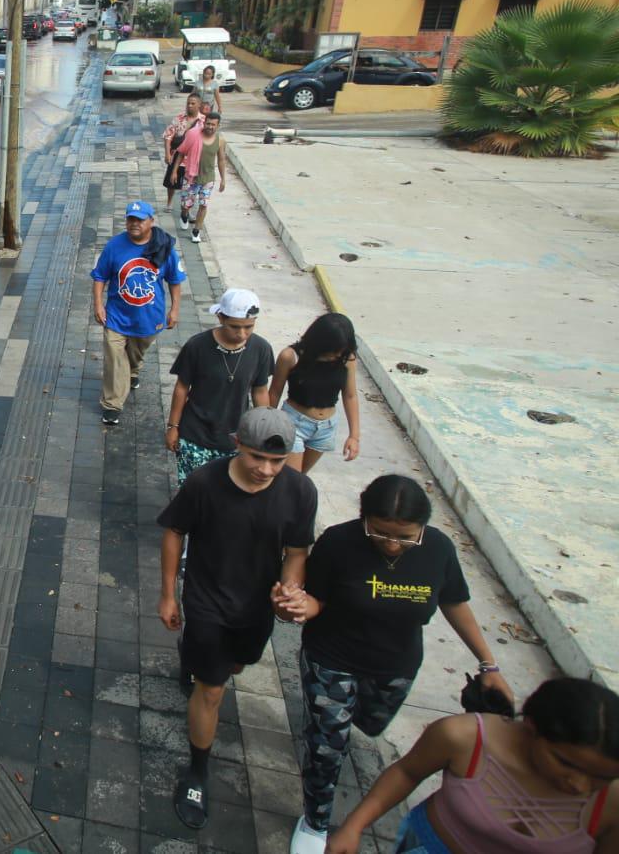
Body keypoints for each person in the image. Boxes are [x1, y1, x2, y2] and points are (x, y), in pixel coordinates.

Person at [274, 475, 514, 854]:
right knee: (326, 747)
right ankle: (316, 820)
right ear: (363, 518)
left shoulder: (438, 549)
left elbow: (454, 603)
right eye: (381, 532)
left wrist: (489, 664)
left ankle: (336, 730)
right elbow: (316, 598)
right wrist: (300, 606)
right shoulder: (338, 541)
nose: (391, 543)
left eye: (405, 536)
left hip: (395, 667)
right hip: (333, 658)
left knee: (367, 725)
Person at [157, 406, 317, 830]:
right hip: (207, 600)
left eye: (277, 462)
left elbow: (297, 551)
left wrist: (289, 588)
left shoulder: (300, 491)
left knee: (237, 664)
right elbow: (175, 531)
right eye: (256, 458)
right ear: (236, 445)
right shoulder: (204, 483)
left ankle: (192, 659)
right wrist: (168, 594)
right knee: (212, 690)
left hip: (256, 608)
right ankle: (197, 771)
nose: (266, 469)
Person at [326, 677, 619, 853]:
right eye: (566, 763)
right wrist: (354, 825)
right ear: (531, 726)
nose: (581, 785)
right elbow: (406, 772)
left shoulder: (613, 802)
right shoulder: (462, 737)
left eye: (601, 778)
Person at [92, 201, 185, 427]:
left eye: (140, 220)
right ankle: (112, 404)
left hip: (148, 318)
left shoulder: (164, 248)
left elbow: (174, 280)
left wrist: (174, 309)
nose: (134, 224)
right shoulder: (114, 246)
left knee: (135, 353)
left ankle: (133, 370)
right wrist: (98, 304)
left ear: (151, 222)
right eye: (130, 219)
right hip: (116, 316)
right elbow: (100, 276)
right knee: (114, 358)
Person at [166, 287, 274, 484]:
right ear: (221, 318)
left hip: (235, 438)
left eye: (248, 327)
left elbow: (260, 390)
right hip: (195, 434)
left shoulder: (261, 349)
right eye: (235, 327)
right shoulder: (197, 346)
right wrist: (173, 426)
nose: (242, 333)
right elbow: (182, 387)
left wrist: (265, 429)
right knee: (193, 492)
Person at [268, 313, 361, 475]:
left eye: (341, 351)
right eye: (333, 351)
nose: (337, 355)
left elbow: (350, 395)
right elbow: (275, 392)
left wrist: (354, 436)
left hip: (326, 428)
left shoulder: (347, 359)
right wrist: (266, 423)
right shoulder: (290, 356)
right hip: (294, 423)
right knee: (292, 478)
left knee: (300, 479)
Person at [175, 111, 228, 243]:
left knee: (204, 204)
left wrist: (223, 179)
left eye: (213, 125)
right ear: (204, 123)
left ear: (218, 126)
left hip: (208, 179)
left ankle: (196, 231)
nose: (210, 126)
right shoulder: (193, 135)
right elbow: (181, 152)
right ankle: (184, 215)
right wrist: (174, 171)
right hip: (191, 177)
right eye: (208, 123)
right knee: (186, 204)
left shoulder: (220, 141)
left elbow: (221, 160)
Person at [161, 95, 206, 211]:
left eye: (193, 104)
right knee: (171, 181)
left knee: (191, 183)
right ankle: (169, 202)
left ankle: (188, 206)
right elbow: (168, 135)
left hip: (193, 157)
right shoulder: (179, 118)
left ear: (199, 105)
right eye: (188, 103)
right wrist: (167, 153)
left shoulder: (204, 121)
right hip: (177, 154)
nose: (190, 106)